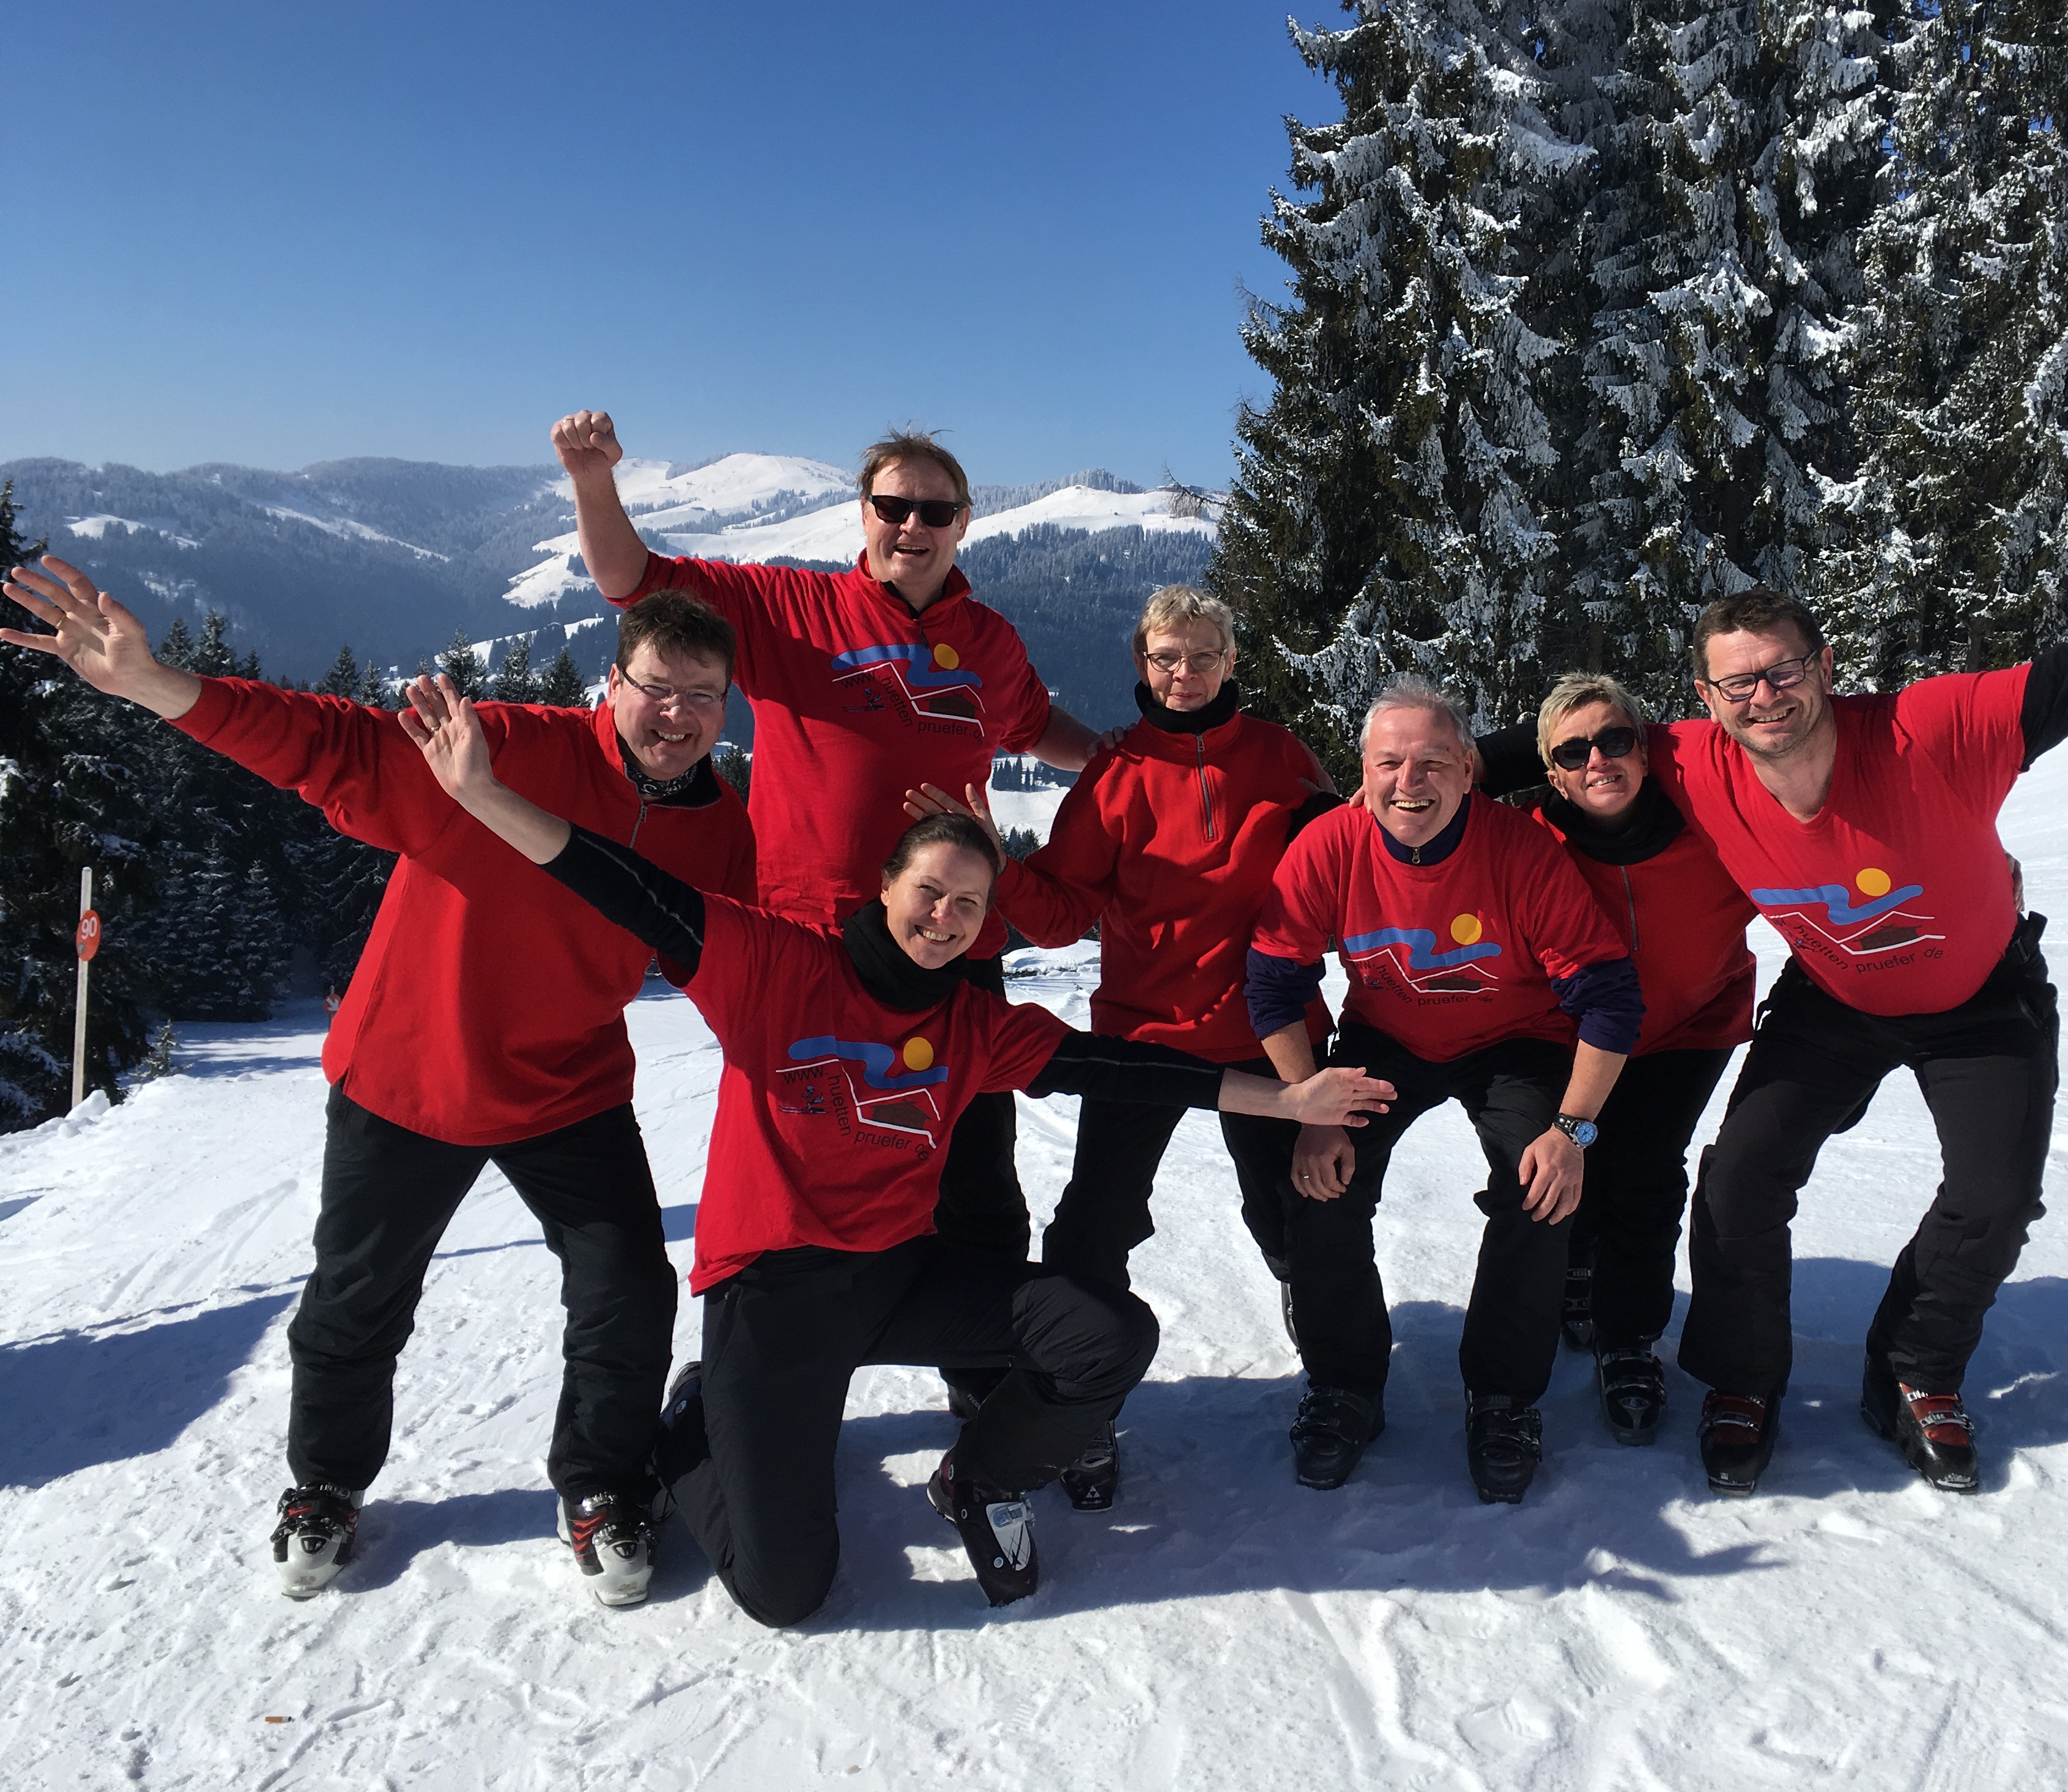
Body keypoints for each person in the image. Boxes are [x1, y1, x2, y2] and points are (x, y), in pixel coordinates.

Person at [1478, 420, 2068, 1496]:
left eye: (1780, 672)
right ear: (1706, 700)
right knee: (1737, 1179)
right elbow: (1560, 743)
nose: (1761, 697)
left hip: (1979, 993)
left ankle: (1912, 1366)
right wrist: (1416, 775)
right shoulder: (1682, 756)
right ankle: (1739, 1377)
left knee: (1995, 1192)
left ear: (1823, 664)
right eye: (1735, 685)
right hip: (1833, 995)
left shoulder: (1933, 730)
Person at [399, 673, 1394, 1620]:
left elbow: (1120, 1066)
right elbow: (629, 885)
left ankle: (981, 1472)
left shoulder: (970, 1022)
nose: (945, 915)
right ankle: (698, 1420)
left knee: (1110, 1333)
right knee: (785, 1589)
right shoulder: (776, 963)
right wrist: (484, 794)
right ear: (885, 885)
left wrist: (1288, 1094)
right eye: (929, 891)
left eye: (969, 903)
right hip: (773, 1292)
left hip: (901, 1279)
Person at [0, 555, 757, 1604]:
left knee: (627, 1283)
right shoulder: (503, 746)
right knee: (357, 1295)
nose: (675, 715)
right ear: (611, 689)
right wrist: (158, 683)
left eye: (701, 697)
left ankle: (601, 1482)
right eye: (655, 688)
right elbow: (330, 742)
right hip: (408, 1071)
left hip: (567, 1084)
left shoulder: (718, 826)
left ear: (727, 707)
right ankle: (325, 1482)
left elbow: (755, 951)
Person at [556, 412, 1105, 1404]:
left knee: (975, 1181)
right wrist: (595, 482)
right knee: (792, 1176)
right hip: (808, 956)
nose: (911, 523)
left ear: (964, 521)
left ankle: (986, 1393)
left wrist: (1126, 764)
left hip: (950, 948)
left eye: (933, 508)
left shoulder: (990, 640)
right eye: (893, 504)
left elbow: (1035, 723)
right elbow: (629, 579)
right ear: (863, 514)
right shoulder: (785, 606)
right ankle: (755, 1381)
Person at [910, 583, 1340, 1509]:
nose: (1183, 675)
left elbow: (1344, 861)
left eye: (1201, 656)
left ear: (1232, 662)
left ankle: (1337, 1374)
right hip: (1146, 1034)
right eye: (1165, 658)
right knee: (1094, 1221)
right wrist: (1003, 865)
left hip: (1272, 1033)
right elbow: (1064, 916)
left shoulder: (1278, 756)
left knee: (1293, 1209)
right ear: (1141, 665)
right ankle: (1078, 1403)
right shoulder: (1115, 773)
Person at [1246, 678, 1643, 1503]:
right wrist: (1306, 1106)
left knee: (1541, 1189)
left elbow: (1609, 997)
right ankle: (1345, 1384)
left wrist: (1573, 1133)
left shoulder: (1522, 852)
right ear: (1363, 771)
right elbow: (1273, 986)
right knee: (1320, 1178)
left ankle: (1503, 1395)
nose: (1409, 780)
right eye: (1389, 762)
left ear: (1468, 767)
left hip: (1517, 1039)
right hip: (1387, 1036)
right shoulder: (1330, 845)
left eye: (1431, 761)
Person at [1520, 673, 1759, 1444]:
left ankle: (1629, 1338)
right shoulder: (1529, 841)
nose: (1599, 760)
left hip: (1693, 1024)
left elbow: (1819, 862)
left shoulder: (1717, 823)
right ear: (1552, 771)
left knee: (1648, 1170)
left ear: (1648, 752)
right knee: (1574, 1154)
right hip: (1577, 1033)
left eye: (1617, 740)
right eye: (1575, 750)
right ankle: (1581, 1262)